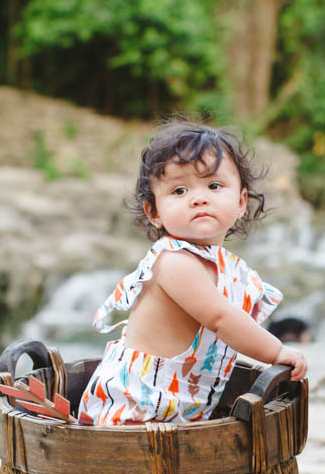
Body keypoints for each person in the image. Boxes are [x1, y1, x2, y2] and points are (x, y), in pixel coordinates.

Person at [78, 120, 307, 426]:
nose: (198, 198)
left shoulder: (229, 266)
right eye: (179, 190)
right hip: (135, 409)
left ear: (241, 202)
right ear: (154, 212)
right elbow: (222, 319)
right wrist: (275, 350)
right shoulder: (173, 262)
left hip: (180, 411)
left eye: (214, 186)